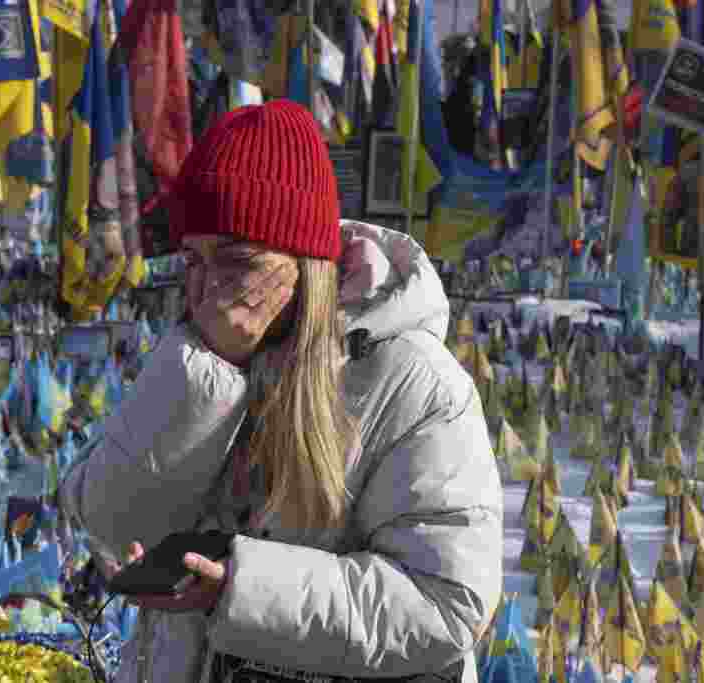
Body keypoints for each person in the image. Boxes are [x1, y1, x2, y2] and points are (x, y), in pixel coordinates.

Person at [59, 100, 502, 683]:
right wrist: (205, 380)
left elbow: (445, 605)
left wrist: (242, 589)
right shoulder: (195, 360)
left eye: (238, 261)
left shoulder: (417, 385)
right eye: (193, 261)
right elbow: (111, 523)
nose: (207, 289)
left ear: (306, 262)